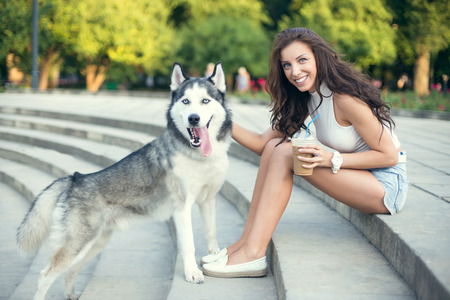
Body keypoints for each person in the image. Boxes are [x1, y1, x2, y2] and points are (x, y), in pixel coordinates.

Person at [202, 27, 409, 278]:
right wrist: (219, 118)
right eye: (287, 65)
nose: (295, 72)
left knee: (285, 153)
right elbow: (260, 144)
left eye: (302, 60)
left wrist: (332, 157)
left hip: (387, 183)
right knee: (274, 147)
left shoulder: (344, 99)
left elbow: (389, 156)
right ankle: (244, 244)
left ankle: (254, 253)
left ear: (318, 57)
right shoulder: (306, 98)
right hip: (359, 176)